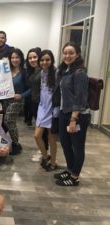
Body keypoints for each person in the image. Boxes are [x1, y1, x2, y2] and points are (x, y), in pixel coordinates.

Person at [53, 42, 90, 186]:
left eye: (71, 53)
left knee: (77, 146)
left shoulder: (79, 73)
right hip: (64, 112)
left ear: (78, 55)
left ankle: (75, 177)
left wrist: (74, 119)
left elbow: (80, 99)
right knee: (65, 143)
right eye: (65, 53)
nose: (67, 56)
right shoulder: (64, 71)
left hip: (77, 115)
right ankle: (69, 170)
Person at [34, 50, 58, 171]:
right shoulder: (40, 72)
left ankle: (53, 163)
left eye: (47, 60)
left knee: (51, 138)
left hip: (53, 109)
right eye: (42, 60)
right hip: (42, 107)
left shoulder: (57, 73)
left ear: (52, 60)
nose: (44, 62)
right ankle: (45, 156)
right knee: (37, 136)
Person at [3, 48, 29, 155]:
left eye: (17, 57)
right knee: (9, 121)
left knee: (9, 120)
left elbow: (31, 89)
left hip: (17, 101)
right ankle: (14, 142)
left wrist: (21, 95)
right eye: (12, 57)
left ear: (21, 59)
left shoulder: (24, 72)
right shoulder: (6, 71)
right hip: (6, 100)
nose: (14, 59)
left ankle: (16, 144)